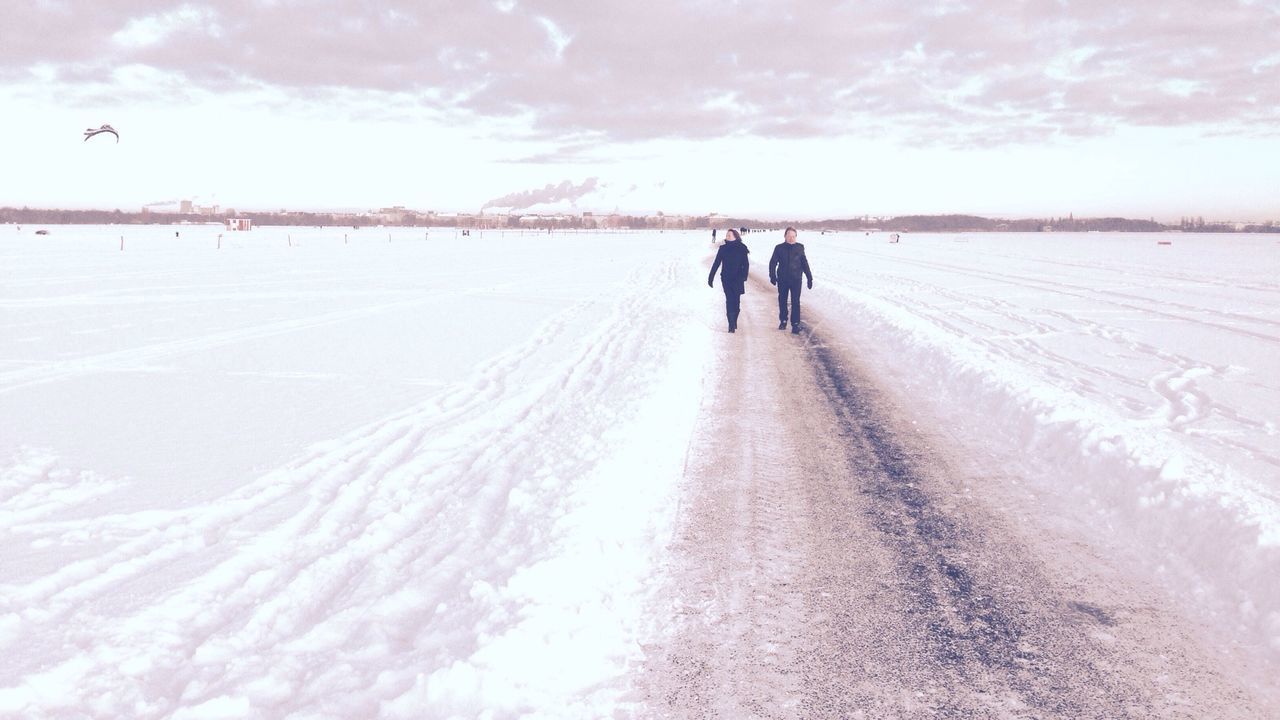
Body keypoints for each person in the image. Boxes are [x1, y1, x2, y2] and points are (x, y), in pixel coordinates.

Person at [769, 227, 813, 334]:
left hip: (796, 279)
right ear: (785, 236)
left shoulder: (800, 247)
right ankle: (783, 321)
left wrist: (809, 277)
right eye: (789, 236)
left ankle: (795, 324)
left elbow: (804, 263)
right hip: (783, 279)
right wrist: (773, 276)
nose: (791, 238)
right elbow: (773, 263)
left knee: (795, 302)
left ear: (796, 237)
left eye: (793, 236)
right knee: (782, 300)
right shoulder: (779, 248)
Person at [708, 228, 750, 333]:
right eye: (727, 235)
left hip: (738, 278)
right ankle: (731, 324)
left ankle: (734, 320)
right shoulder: (723, 248)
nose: (727, 236)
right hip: (726, 278)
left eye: (729, 235)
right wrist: (711, 277)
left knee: (736, 301)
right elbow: (716, 263)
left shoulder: (742, 248)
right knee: (729, 300)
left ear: (735, 236)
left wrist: (744, 276)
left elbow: (746, 264)